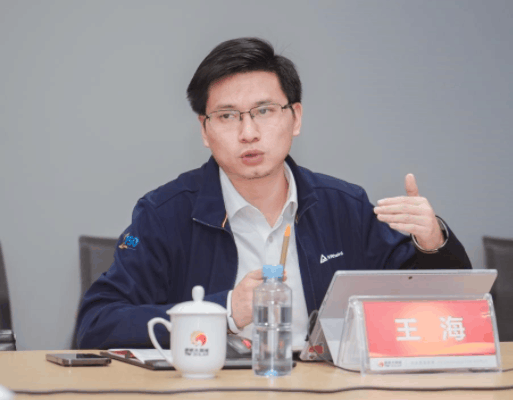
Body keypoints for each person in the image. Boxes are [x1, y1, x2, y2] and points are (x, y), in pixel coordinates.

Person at [76, 37, 472, 350]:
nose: (248, 133)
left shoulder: (343, 206)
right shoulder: (165, 214)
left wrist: (433, 242)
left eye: (264, 111)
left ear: (295, 118)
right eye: (227, 116)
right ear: (204, 130)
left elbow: (449, 312)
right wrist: (225, 311)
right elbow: (97, 324)